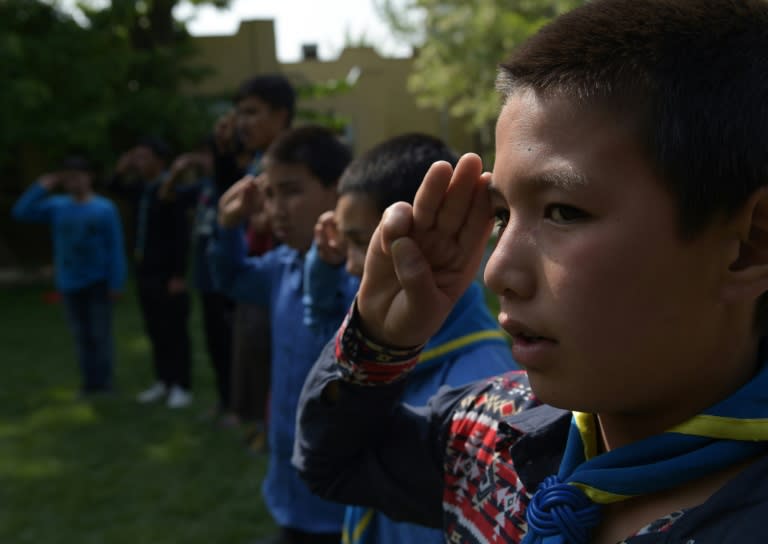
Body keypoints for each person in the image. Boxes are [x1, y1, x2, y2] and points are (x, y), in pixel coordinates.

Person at [293, 1, 768, 543]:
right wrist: (377, 339)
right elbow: (334, 461)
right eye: (502, 214)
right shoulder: (491, 432)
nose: (496, 270)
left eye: (564, 212)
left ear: (748, 247)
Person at [303, 133, 518, 544]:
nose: (351, 266)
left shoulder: (483, 388)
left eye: (360, 242)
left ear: (432, 238)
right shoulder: (389, 346)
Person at [213, 125, 352, 544]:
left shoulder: (359, 282)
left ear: (336, 192)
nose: (276, 208)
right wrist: (226, 227)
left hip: (342, 497)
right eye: (269, 194)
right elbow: (233, 278)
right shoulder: (282, 265)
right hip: (289, 475)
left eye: (290, 191)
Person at [12, 156, 126, 395]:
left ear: (89, 177)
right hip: (69, 282)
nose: (73, 182)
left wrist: (116, 281)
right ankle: (89, 383)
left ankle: (106, 383)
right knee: (81, 336)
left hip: (97, 281)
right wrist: (41, 186)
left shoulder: (104, 208)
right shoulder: (57, 206)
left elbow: (115, 247)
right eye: (68, 177)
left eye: (78, 176)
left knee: (100, 334)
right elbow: (20, 212)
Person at [225, 74, 295, 445]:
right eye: (239, 113)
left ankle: (275, 429)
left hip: (281, 276)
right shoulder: (257, 160)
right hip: (256, 271)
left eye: (252, 112)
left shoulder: (293, 160)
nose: (242, 122)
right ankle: (264, 424)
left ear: (281, 114)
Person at [109, 138, 193, 408]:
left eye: (144, 157)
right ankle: (163, 380)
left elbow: (181, 235)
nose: (139, 163)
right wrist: (122, 168)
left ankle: (182, 384)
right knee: (155, 328)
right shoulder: (142, 189)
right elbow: (113, 187)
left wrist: (178, 274)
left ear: (160, 160)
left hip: (168, 273)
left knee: (174, 329)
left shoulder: (170, 190)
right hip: (145, 270)